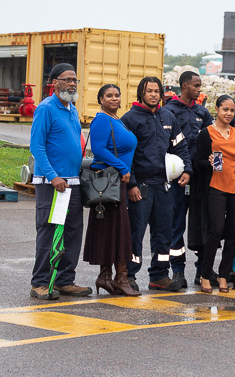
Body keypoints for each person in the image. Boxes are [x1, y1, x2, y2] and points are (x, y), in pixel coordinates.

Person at [121, 77, 192, 292]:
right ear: (140, 93)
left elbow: (181, 147)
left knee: (164, 232)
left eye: (156, 91)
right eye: (149, 91)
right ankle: (129, 275)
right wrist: (131, 184)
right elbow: (125, 156)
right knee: (135, 231)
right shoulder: (130, 119)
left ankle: (159, 275)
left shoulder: (168, 116)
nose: (153, 94)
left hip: (164, 186)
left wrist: (187, 169)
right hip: (140, 186)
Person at [29, 63, 91, 299]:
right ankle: (40, 283)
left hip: (73, 183)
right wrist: (53, 176)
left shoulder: (71, 108)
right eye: (66, 80)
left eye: (74, 79)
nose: (72, 83)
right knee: (49, 231)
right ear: (54, 83)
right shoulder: (46, 108)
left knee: (73, 232)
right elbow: (37, 146)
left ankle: (65, 280)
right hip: (52, 183)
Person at [82, 84, 140, 297]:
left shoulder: (117, 120)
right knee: (119, 230)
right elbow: (98, 149)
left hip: (118, 182)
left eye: (117, 95)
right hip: (109, 182)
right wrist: (123, 168)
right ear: (100, 99)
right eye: (109, 96)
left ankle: (106, 277)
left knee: (113, 230)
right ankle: (119, 279)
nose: (114, 98)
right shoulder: (101, 120)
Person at [195, 95, 235, 293]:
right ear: (217, 110)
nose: (229, 113)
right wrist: (208, 162)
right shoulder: (206, 133)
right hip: (216, 185)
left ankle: (223, 275)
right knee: (216, 230)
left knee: (233, 233)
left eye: (232, 110)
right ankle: (204, 274)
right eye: (225, 109)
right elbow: (198, 162)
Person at [162, 70, 214, 288]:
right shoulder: (169, 111)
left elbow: (214, 140)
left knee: (202, 224)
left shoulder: (203, 113)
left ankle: (202, 270)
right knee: (176, 225)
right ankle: (178, 270)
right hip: (177, 179)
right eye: (195, 85)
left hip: (201, 178)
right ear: (184, 86)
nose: (199, 89)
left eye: (200, 85)